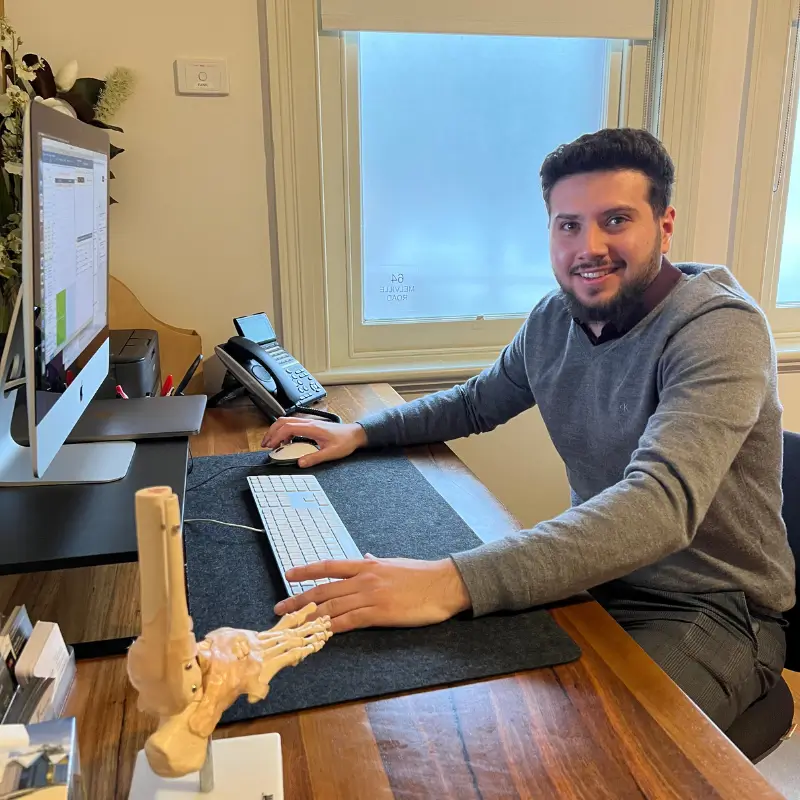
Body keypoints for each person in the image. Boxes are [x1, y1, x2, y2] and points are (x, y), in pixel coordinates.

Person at [261, 128, 796, 731]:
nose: (589, 246)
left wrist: (449, 581)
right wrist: (359, 433)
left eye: (615, 220)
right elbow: (475, 403)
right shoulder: (555, 318)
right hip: (598, 577)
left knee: (599, 755)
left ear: (664, 226)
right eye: (569, 225)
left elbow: (661, 504)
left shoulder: (719, 331)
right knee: (447, 709)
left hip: (712, 606)